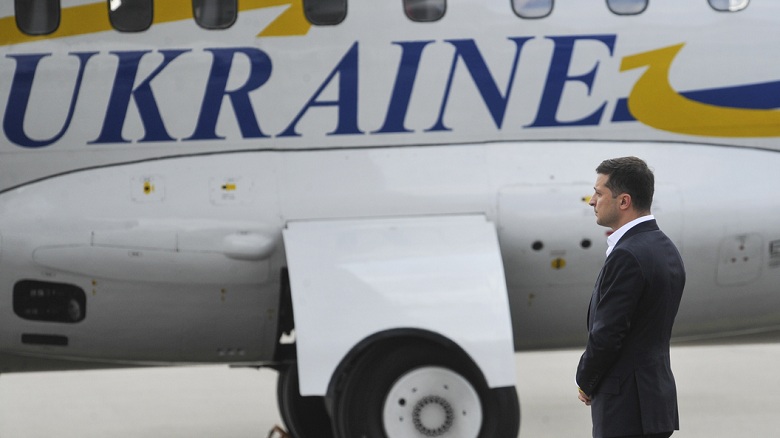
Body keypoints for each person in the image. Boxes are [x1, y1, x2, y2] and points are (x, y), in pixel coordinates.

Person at [576, 157, 685, 438]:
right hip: (654, 400)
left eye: (599, 193)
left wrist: (586, 380)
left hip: (626, 407)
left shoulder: (627, 254)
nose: (592, 201)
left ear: (624, 201)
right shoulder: (665, 248)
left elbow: (608, 333)